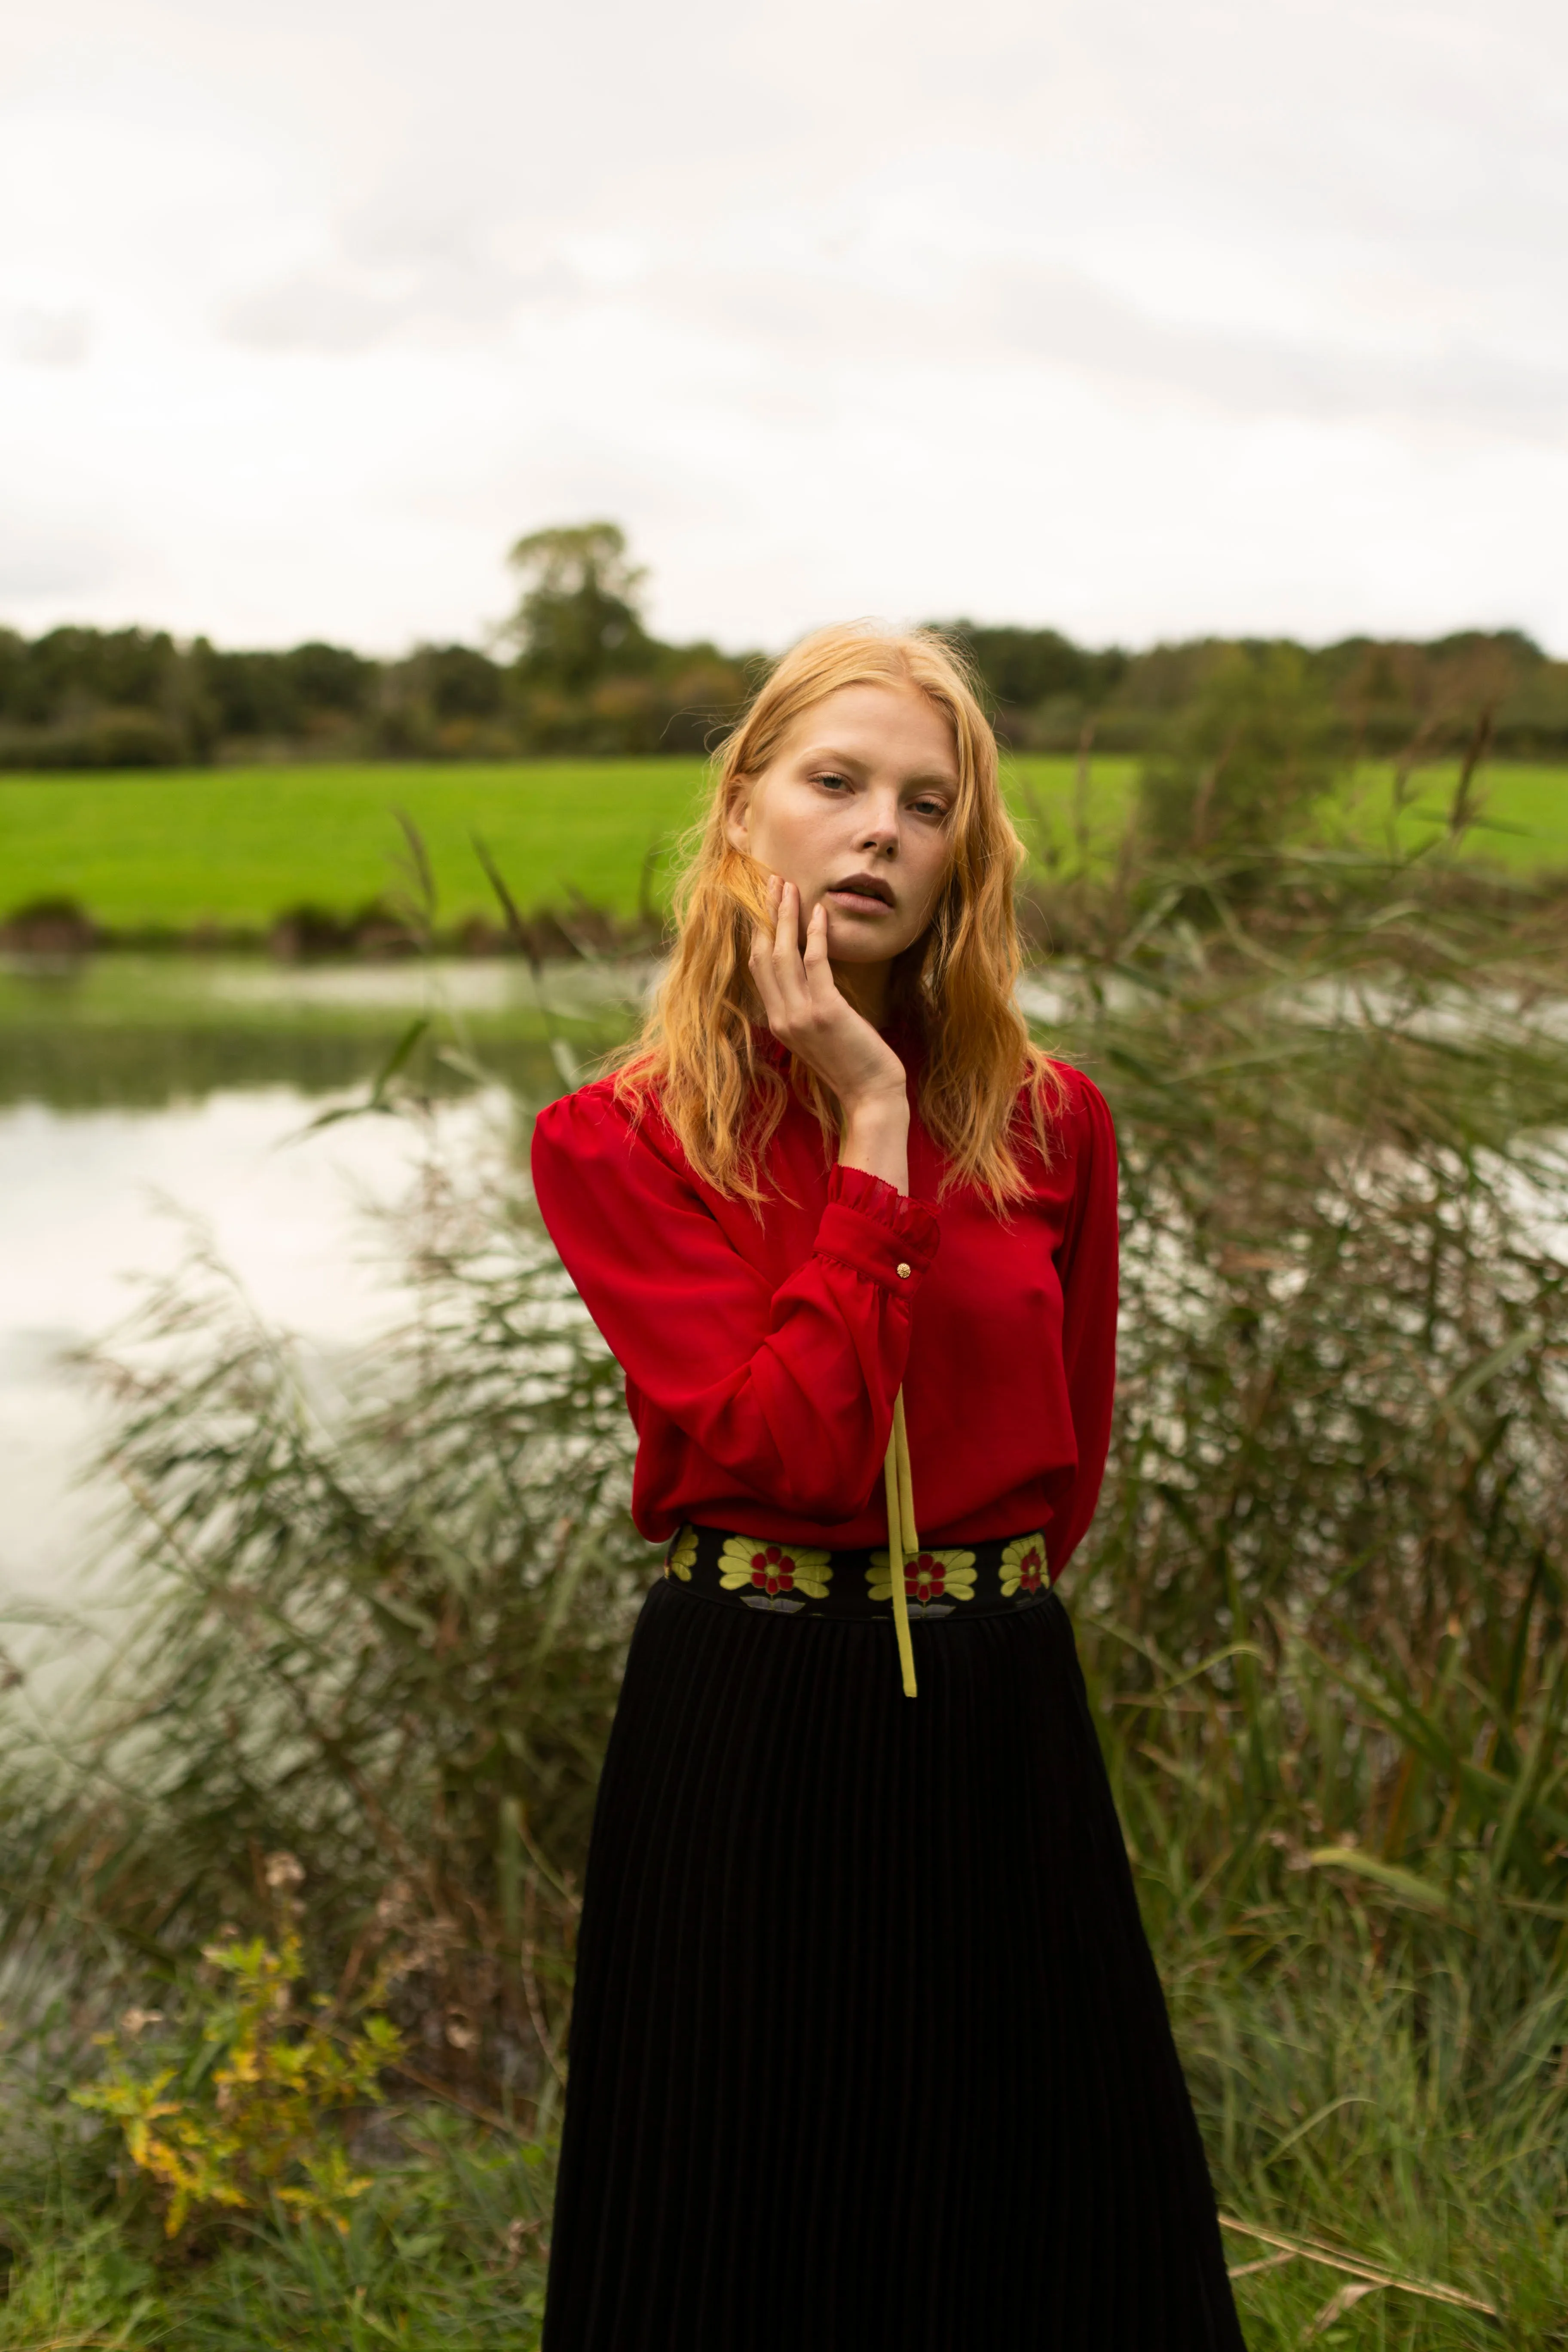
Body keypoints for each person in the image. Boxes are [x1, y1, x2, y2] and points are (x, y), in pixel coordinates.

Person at [529, 624, 1245, 2351]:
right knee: (740, 2226)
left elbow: (1068, 1459)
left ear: (961, 866)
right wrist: (866, 1122)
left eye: (928, 805)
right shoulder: (618, 1139)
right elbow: (788, 1453)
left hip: (1001, 1706)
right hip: (754, 1709)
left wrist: (971, 1610)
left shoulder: (1053, 1120)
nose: (880, 830)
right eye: (835, 783)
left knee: (1052, 2215)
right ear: (741, 820)